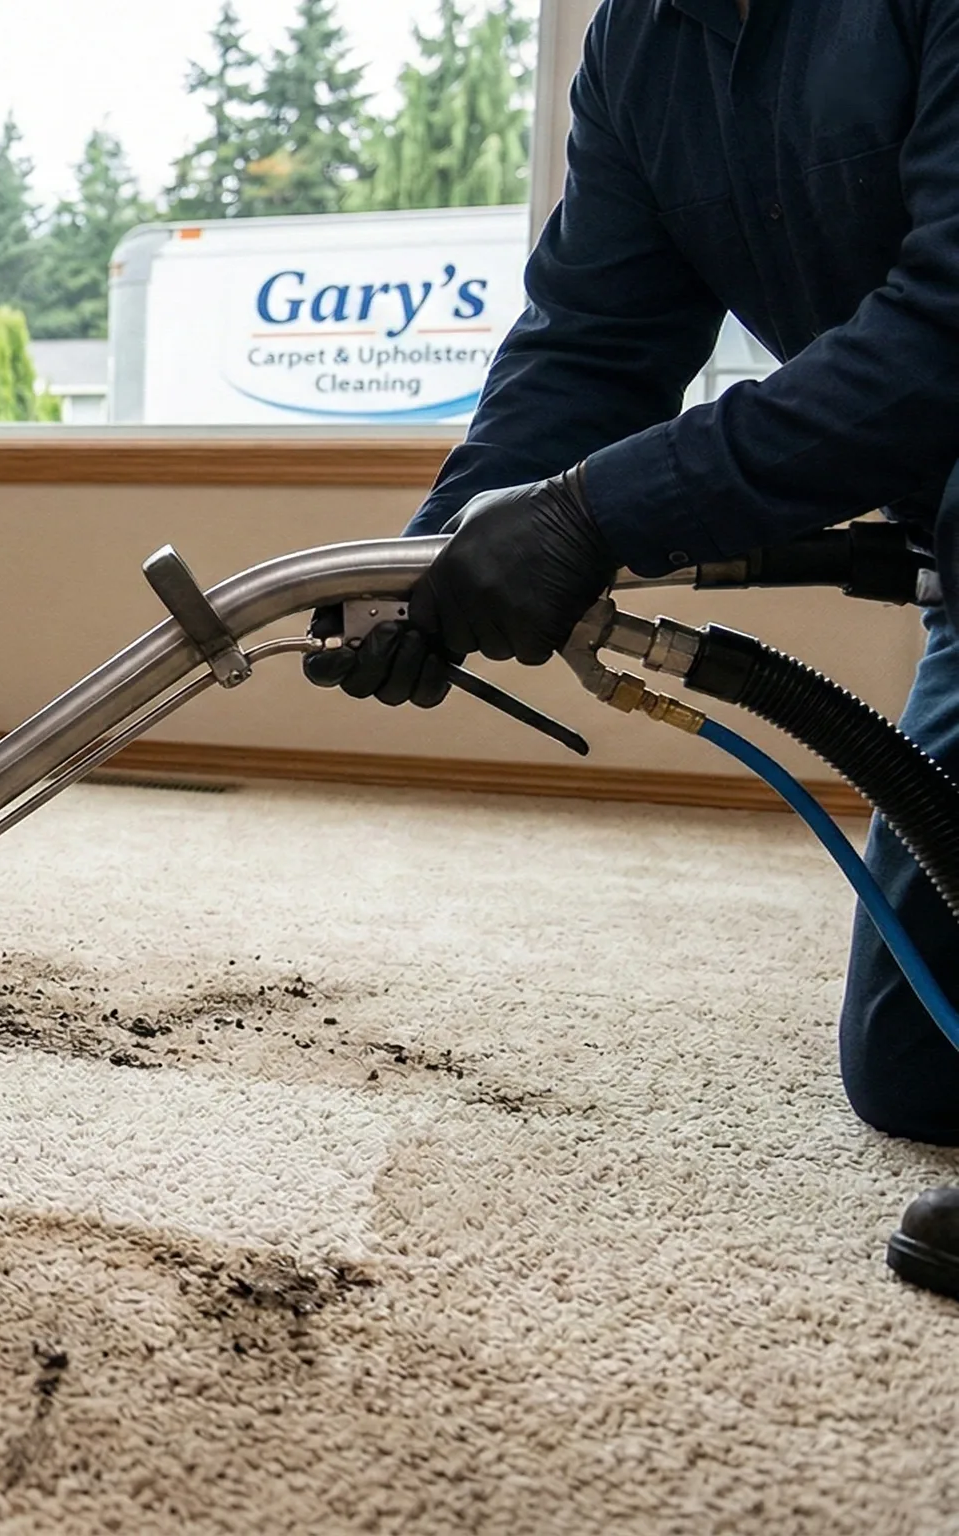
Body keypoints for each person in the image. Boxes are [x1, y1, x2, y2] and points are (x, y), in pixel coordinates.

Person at [305, 0, 959, 1299]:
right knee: (916, 1057)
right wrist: (434, 559)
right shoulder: (641, 43)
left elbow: (941, 337)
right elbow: (592, 346)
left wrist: (600, 513)